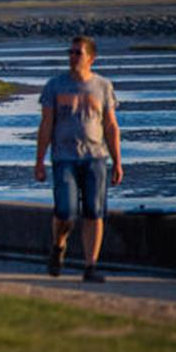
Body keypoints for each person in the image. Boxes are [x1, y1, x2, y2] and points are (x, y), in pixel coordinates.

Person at [34, 35, 123, 283]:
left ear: (91, 58)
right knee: (65, 211)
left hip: (96, 158)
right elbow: (46, 124)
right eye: (70, 53)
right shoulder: (55, 86)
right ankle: (58, 246)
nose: (72, 58)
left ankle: (90, 266)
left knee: (94, 212)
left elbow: (110, 125)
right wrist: (39, 161)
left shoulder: (103, 86)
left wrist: (117, 161)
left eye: (78, 53)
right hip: (64, 158)